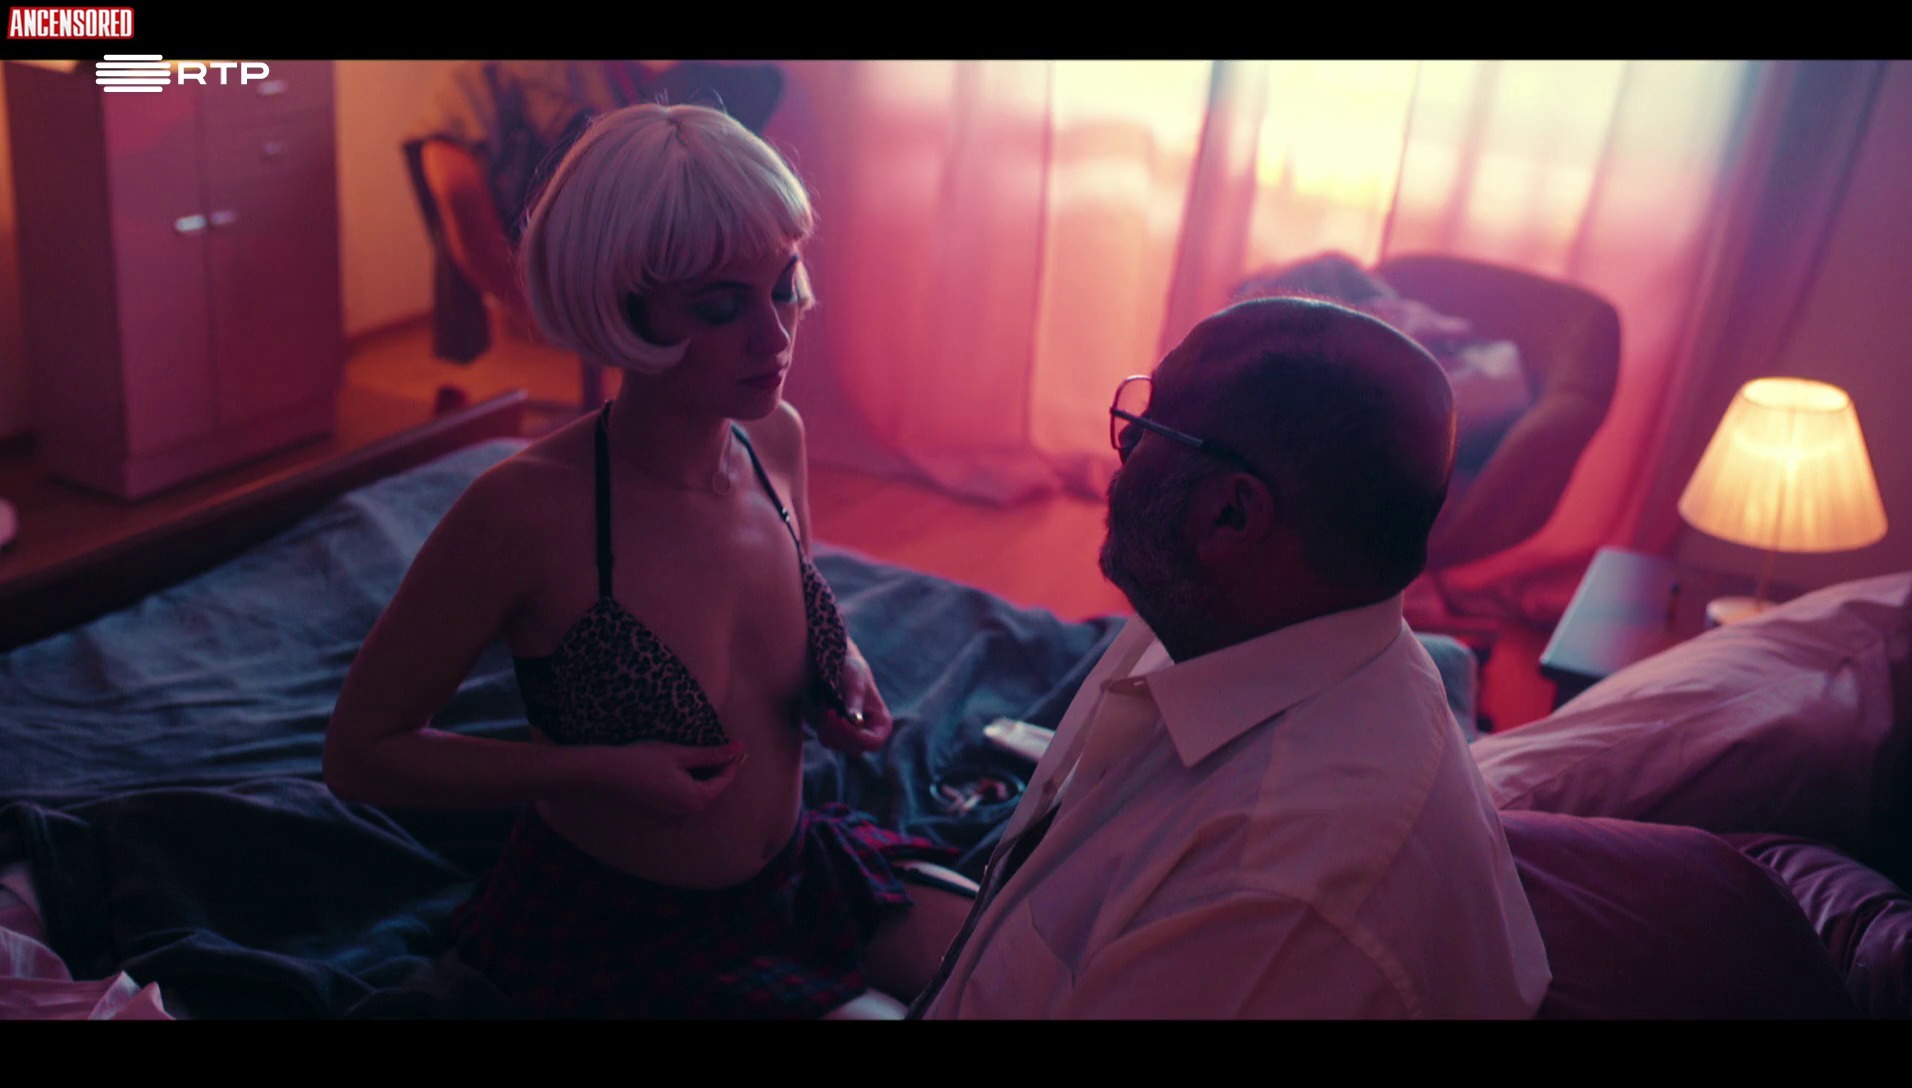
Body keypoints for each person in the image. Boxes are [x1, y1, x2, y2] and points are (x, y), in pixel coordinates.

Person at [325, 103, 974, 1020]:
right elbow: (360, 755)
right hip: (625, 927)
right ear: (619, 305)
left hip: (797, 870)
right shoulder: (523, 512)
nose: (775, 336)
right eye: (721, 305)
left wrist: (846, 670)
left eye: (784, 285)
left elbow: (779, 603)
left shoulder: (774, 439)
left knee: (1023, 964)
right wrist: (586, 770)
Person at [913, 296, 1553, 1018]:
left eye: (1151, 424)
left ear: (1231, 514)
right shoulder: (1233, 616)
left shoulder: (1270, 899)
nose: (1124, 444)